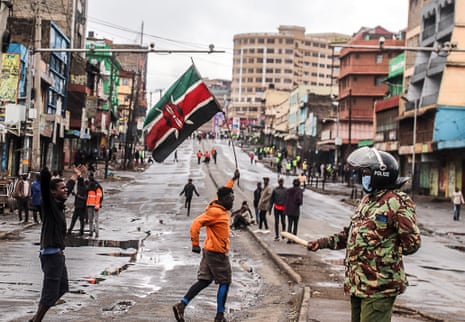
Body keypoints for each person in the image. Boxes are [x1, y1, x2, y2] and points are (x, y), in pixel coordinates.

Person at [307, 147, 421, 322]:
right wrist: (321, 243)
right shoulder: (367, 201)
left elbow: (412, 243)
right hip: (358, 284)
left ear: (380, 174)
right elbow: (350, 234)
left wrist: (386, 253)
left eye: (367, 172)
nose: (364, 177)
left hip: (380, 287)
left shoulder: (397, 202)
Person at [172, 170, 240, 322]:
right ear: (223, 200)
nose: (232, 202)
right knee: (225, 281)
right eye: (231, 199)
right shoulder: (215, 212)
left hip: (210, 251)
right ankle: (219, 316)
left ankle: (181, 305)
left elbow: (224, 190)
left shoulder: (219, 204)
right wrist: (194, 243)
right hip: (217, 253)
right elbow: (196, 223)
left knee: (204, 280)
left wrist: (233, 179)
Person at [29, 165, 84, 322]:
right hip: (51, 256)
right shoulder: (50, 205)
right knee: (50, 292)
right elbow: (46, 193)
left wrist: (74, 177)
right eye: (62, 188)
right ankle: (36, 320)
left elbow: (67, 188)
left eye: (65, 188)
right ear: (53, 192)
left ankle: (35, 319)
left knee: (62, 288)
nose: (65, 190)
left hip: (58, 255)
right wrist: (46, 176)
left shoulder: (59, 206)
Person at [86, 173, 103, 238]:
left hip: (94, 206)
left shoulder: (97, 186)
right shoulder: (90, 186)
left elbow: (98, 196)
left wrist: (97, 205)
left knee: (95, 220)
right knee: (91, 220)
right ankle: (91, 232)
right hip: (90, 205)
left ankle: (96, 233)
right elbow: (88, 196)